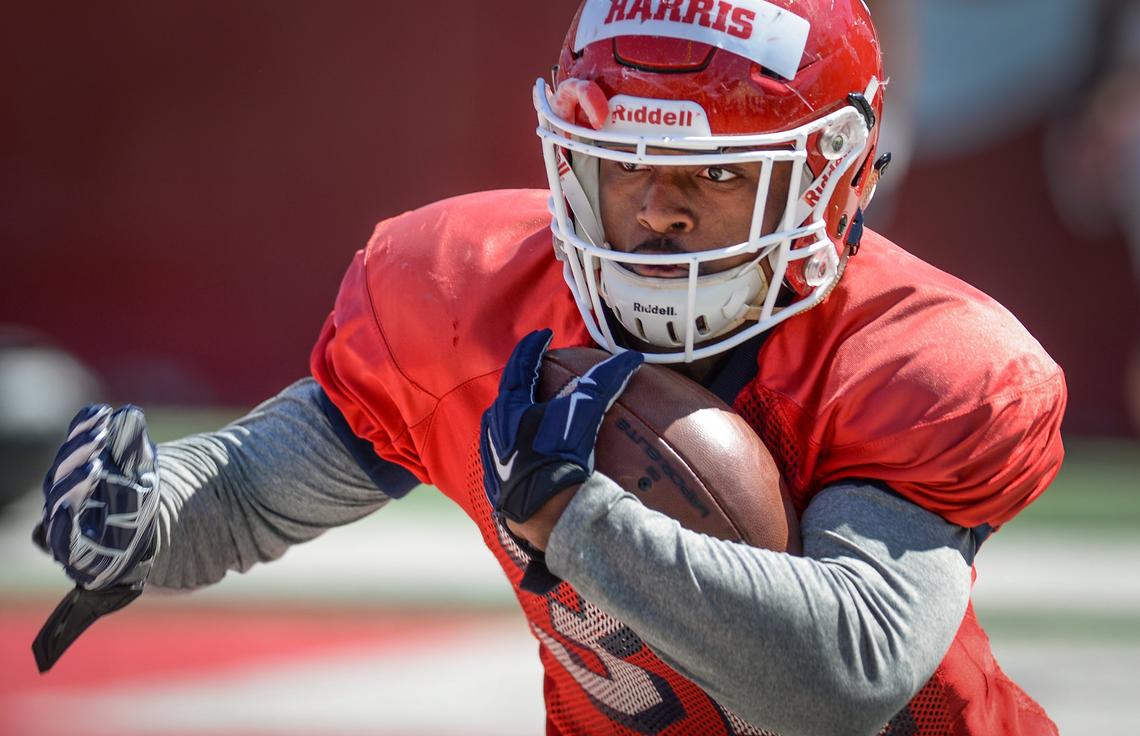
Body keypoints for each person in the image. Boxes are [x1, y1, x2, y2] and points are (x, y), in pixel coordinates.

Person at [34, 1, 1067, 734]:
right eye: (621, 165)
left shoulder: (917, 358)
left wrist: (577, 524)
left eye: (710, 176)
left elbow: (842, 679)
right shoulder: (472, 294)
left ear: (831, 184)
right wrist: (148, 516)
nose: (655, 210)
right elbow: (258, 487)